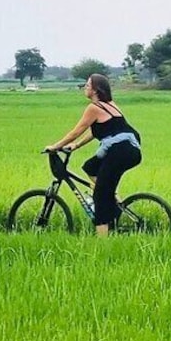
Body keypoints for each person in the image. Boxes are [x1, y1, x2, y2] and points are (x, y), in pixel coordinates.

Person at [45, 73, 141, 236]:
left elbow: (76, 131)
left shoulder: (94, 108)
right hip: (130, 150)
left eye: (88, 85)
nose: (85, 88)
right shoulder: (110, 105)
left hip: (119, 152)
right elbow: (94, 131)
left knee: (100, 197)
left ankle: (103, 242)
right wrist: (76, 146)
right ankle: (114, 200)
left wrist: (55, 146)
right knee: (90, 167)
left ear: (96, 90)